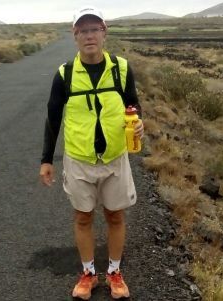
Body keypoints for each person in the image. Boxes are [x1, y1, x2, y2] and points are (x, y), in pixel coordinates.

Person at [39, 6, 143, 300]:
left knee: (115, 215)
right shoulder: (65, 74)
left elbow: (132, 106)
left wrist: (139, 125)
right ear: (75, 36)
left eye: (94, 29)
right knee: (83, 218)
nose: (89, 36)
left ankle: (114, 272)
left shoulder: (121, 69)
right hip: (79, 160)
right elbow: (53, 119)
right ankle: (88, 274)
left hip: (115, 157)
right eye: (82, 30)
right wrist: (46, 159)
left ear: (104, 32)